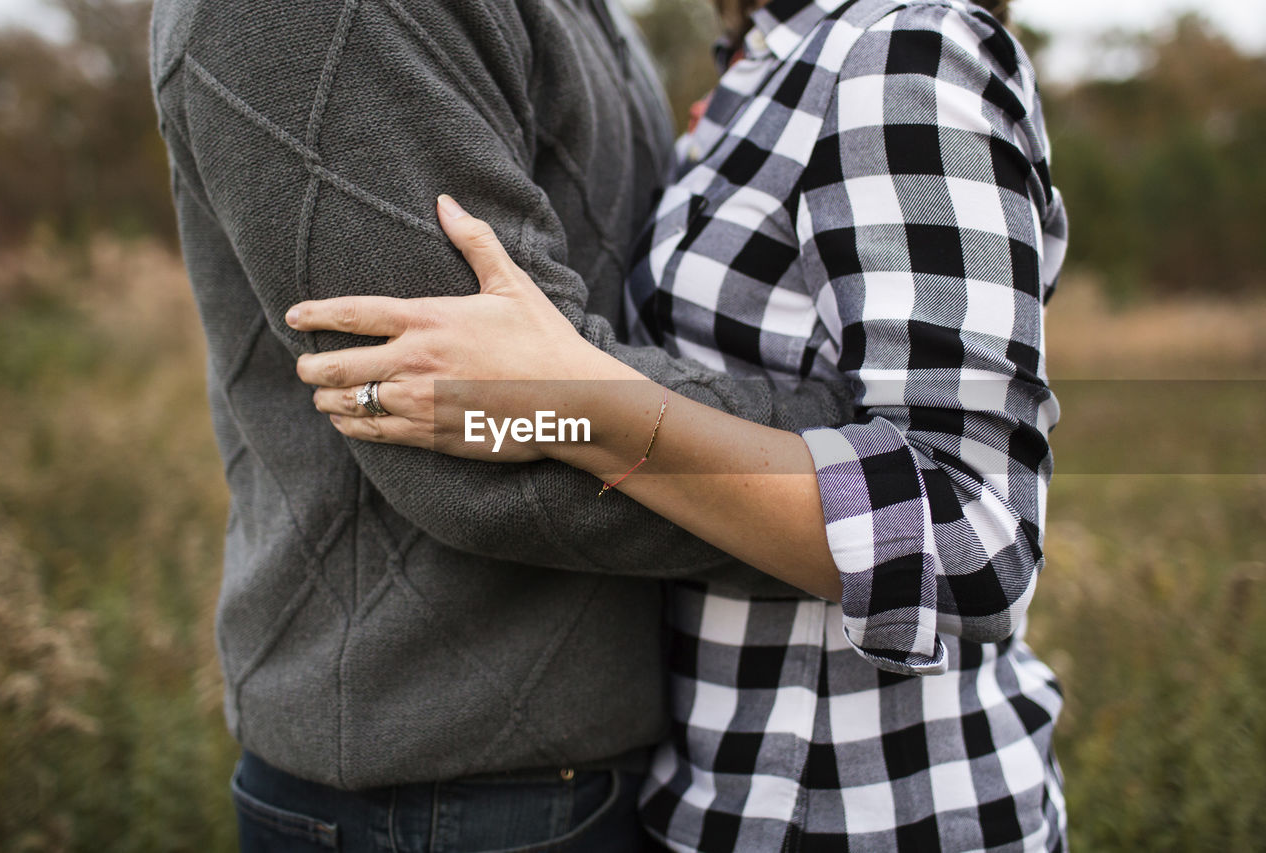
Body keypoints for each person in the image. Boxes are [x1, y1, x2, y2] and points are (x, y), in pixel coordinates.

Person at [286, 0, 1069, 850]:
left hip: (879, 805)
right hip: (714, 801)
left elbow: (975, 533)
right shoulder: (769, 63)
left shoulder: (907, 50)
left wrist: (579, 399)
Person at [150, 0, 856, 849]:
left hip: (593, 758)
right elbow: (474, 449)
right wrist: (863, 451)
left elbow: (559, 372)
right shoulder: (332, 17)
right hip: (441, 794)